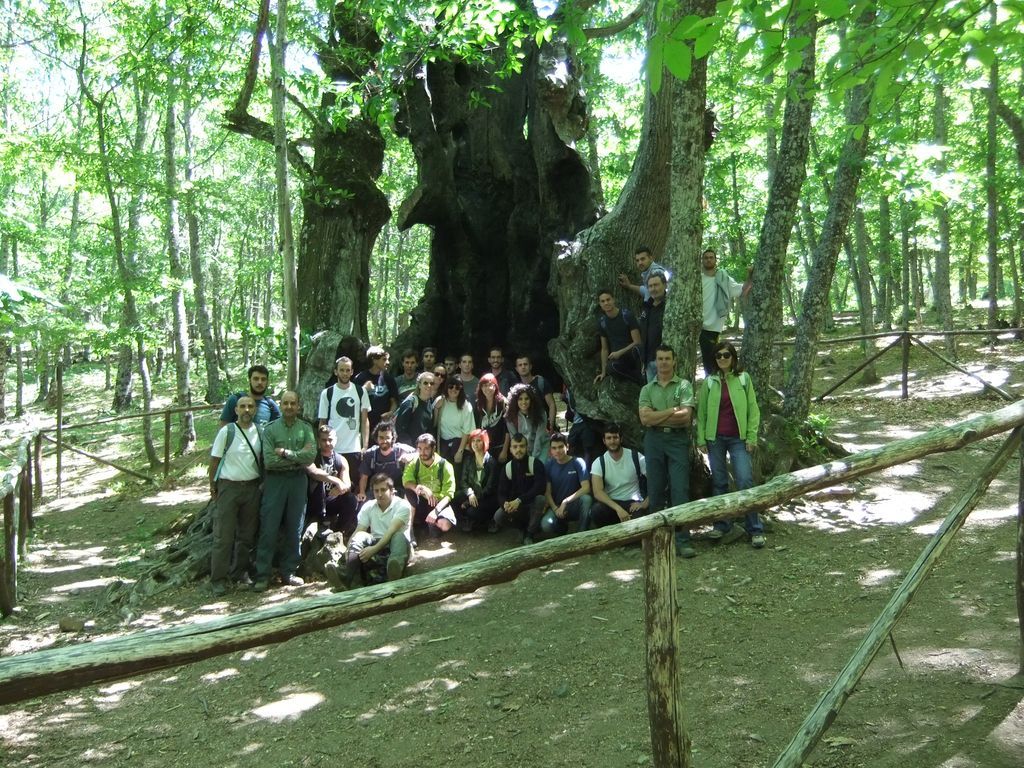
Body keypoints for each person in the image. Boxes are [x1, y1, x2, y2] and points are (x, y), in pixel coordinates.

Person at [696, 340, 765, 548]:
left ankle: (755, 528)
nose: (722, 359)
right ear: (714, 359)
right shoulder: (709, 382)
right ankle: (722, 524)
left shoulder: (743, 378)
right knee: (719, 482)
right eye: (719, 356)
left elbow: (753, 409)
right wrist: (701, 439)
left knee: (744, 480)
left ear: (733, 357)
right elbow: (701, 413)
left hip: (739, 439)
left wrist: (751, 437)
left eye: (726, 355)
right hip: (715, 439)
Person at [253, 391, 317, 591]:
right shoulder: (271, 430)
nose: (289, 407)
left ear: (298, 406)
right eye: (286, 403)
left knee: (295, 527)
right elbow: (270, 462)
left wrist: (286, 453)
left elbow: (310, 456)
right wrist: (297, 457)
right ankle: (262, 575)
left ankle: (289, 571)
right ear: (280, 405)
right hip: (275, 482)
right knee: (268, 527)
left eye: (293, 403)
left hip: (298, 481)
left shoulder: (305, 428)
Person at [638, 344, 697, 558]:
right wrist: (672, 410)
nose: (663, 362)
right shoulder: (647, 389)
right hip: (653, 440)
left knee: (680, 490)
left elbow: (685, 417)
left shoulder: (683, 385)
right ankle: (658, 541)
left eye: (667, 358)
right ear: (656, 362)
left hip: (677, 440)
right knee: (655, 491)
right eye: (660, 358)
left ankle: (682, 540)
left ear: (674, 361)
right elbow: (645, 419)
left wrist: (658, 415)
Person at [208, 395, 263, 596]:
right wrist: (213, 487)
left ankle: (239, 573)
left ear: (255, 410)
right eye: (243, 406)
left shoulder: (260, 432)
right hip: (228, 487)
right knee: (223, 535)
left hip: (252, 488)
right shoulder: (227, 431)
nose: (247, 410)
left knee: (246, 535)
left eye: (250, 406)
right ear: (236, 410)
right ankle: (218, 579)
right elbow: (214, 461)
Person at [329, 473, 413, 590]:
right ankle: (347, 576)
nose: (379, 494)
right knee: (360, 535)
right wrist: (348, 551)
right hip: (376, 543)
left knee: (398, 536)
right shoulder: (368, 506)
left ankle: (394, 574)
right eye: (376, 491)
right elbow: (359, 530)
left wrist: (373, 549)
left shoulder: (402, 505)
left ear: (392, 491)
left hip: (398, 545)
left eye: (383, 490)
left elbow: (391, 531)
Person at [318, 356, 370, 483]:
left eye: (348, 370)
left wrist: (365, 446)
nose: (345, 373)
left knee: (353, 485)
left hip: (354, 448)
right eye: (342, 370)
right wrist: (321, 446)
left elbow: (364, 420)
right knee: (332, 485)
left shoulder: (360, 391)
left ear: (352, 372)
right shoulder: (327, 393)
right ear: (336, 371)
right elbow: (322, 422)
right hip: (333, 448)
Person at [590, 423, 648, 528]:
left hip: (633, 503)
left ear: (621, 439)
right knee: (596, 511)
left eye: (615, 437)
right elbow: (598, 492)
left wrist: (645, 503)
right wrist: (618, 509)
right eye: (609, 438)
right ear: (604, 441)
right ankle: (611, 534)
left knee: (640, 523)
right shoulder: (599, 462)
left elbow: (656, 480)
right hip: (612, 503)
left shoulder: (635, 456)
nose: (612, 441)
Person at [304, 425, 357, 540]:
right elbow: (314, 473)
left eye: (330, 439)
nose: (327, 443)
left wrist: (341, 489)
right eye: (324, 440)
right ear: (318, 440)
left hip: (332, 500)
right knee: (319, 482)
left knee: (351, 499)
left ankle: (339, 531)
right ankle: (319, 521)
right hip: (313, 501)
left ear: (336, 439)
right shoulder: (312, 456)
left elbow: (347, 483)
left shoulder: (341, 460)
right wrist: (336, 480)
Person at [495, 433, 548, 543]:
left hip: (532, 505)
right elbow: (501, 492)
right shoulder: (507, 468)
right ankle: (522, 529)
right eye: (515, 447)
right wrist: (505, 504)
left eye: (522, 446)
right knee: (498, 516)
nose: (518, 449)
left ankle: (530, 534)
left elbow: (540, 487)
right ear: (510, 449)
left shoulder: (536, 463)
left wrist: (519, 500)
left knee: (540, 499)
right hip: (516, 508)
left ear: (527, 447)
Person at [403, 433, 457, 538]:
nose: (422, 452)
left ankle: (432, 523)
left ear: (433, 448)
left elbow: (448, 495)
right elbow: (406, 482)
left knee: (445, 525)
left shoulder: (445, 465)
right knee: (408, 493)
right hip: (421, 501)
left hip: (438, 503)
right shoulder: (414, 463)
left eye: (426, 449)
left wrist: (436, 511)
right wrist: (419, 488)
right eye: (419, 449)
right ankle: (409, 532)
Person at [539, 432, 592, 537]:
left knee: (587, 499)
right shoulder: (548, 465)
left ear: (567, 447)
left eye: (560, 447)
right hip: (557, 506)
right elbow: (547, 492)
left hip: (574, 505)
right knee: (546, 525)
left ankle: (583, 533)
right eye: (554, 448)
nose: (557, 451)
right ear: (550, 450)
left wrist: (566, 501)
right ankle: (562, 528)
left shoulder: (577, 462)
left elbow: (586, 488)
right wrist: (555, 509)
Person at [701, 248, 744, 375]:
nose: (708, 260)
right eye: (706, 258)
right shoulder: (697, 278)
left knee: (711, 364)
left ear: (715, 260)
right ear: (702, 260)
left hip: (712, 327)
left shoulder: (723, 278)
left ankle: (714, 384)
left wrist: (751, 277)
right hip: (696, 324)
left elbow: (740, 289)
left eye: (711, 257)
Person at [594, 290, 643, 385]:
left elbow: (637, 341)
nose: (606, 303)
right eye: (603, 301)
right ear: (600, 304)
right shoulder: (602, 322)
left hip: (632, 353)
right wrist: (603, 372)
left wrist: (620, 352)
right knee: (610, 368)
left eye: (608, 299)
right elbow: (604, 349)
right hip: (618, 359)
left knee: (637, 349)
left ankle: (641, 376)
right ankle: (637, 378)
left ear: (613, 300)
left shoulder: (626, 315)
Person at [455, 429, 500, 532]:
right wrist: (470, 494)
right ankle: (467, 520)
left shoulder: (491, 462)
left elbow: (489, 488)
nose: (475, 444)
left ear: (484, 443)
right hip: (473, 494)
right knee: (455, 497)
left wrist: (468, 502)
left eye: (479, 441)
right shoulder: (468, 459)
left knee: (472, 511)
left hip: (487, 498)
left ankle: (490, 521)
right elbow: (463, 481)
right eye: (473, 441)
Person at [358, 421, 415, 502]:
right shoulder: (371, 454)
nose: (384, 441)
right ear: (377, 438)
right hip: (377, 490)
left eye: (387, 438)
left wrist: (411, 456)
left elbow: (419, 452)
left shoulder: (401, 450)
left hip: (398, 490)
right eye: (381, 438)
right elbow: (364, 477)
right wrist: (362, 492)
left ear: (392, 438)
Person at [433, 377, 475, 474]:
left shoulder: (466, 406)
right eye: (451, 386)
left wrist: (460, 451)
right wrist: (436, 408)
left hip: (458, 445)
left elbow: (467, 431)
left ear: (461, 389)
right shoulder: (440, 400)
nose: (453, 389)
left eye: (457, 387)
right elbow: (434, 424)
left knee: (455, 473)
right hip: (442, 444)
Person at [218, 364, 280, 428]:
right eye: (256, 379)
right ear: (250, 380)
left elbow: (278, 428)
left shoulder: (271, 405)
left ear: (267, 382)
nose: (260, 382)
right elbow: (224, 428)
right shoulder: (235, 400)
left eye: (263, 379)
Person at [355, 345, 399, 434]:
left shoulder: (388, 378)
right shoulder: (360, 378)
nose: (387, 362)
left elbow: (394, 401)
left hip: (383, 426)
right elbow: (353, 401)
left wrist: (391, 412)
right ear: (374, 360)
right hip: (365, 425)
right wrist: (364, 389)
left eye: (388, 359)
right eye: (384, 359)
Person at [505, 383, 550, 462]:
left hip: (541, 447)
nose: (524, 402)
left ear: (531, 399)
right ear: (515, 400)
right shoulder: (510, 415)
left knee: (539, 466)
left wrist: (533, 458)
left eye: (526, 399)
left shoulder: (541, 413)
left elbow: (540, 437)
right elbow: (515, 439)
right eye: (520, 399)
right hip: (522, 449)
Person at [514, 354, 557, 432]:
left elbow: (551, 404)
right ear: (516, 369)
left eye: (525, 364)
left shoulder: (541, 382)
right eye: (520, 365)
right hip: (527, 430)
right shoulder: (517, 388)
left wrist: (551, 425)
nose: (523, 367)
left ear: (530, 366)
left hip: (544, 427)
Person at [394, 371, 437, 445]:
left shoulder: (430, 403)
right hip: (408, 447)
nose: (429, 385)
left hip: (422, 448)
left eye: (431, 383)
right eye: (425, 383)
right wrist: (410, 446)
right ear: (419, 385)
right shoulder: (410, 402)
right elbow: (400, 428)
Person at [639, 272, 667, 383]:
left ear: (665, 285)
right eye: (650, 286)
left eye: (656, 285)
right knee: (653, 392)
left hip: (665, 360)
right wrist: (643, 360)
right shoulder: (646, 307)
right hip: (649, 361)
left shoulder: (670, 306)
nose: (653, 289)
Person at [475, 373, 509, 461]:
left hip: (500, 447)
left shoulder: (503, 403)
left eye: (490, 385)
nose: (487, 388)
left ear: (495, 386)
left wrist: (504, 451)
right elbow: (476, 428)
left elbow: (508, 429)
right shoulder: (478, 404)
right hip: (484, 447)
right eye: (484, 386)